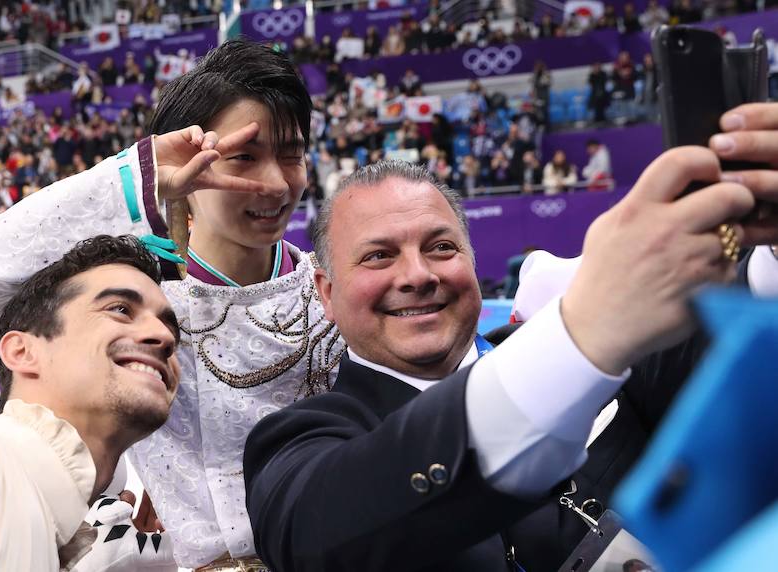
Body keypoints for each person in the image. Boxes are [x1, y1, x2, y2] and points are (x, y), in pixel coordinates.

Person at [244, 100, 778, 570]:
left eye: (441, 247)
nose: (418, 275)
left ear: (474, 264)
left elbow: (742, 364)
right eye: (379, 256)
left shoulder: (617, 357)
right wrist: (582, 333)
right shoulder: (297, 443)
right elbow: (321, 537)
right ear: (327, 293)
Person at [0, 39, 344, 570]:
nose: (276, 183)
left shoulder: (336, 296)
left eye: (292, 153)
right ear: (187, 162)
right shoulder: (136, 308)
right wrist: (134, 179)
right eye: (244, 158)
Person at [0, 234, 180, 570]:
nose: (165, 337)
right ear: (22, 351)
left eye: (172, 328)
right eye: (121, 309)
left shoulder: (63, 542)